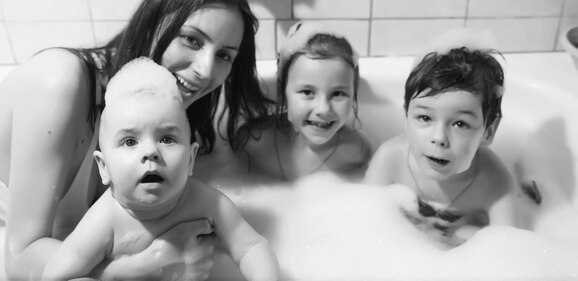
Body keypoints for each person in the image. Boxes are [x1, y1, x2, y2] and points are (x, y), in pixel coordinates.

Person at [0, 0, 273, 280]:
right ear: (151, 25)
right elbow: (20, 258)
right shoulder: (56, 85)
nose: (206, 70)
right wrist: (146, 262)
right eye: (191, 39)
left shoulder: (172, 105)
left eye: (224, 56)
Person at [43, 58, 279, 281]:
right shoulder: (105, 221)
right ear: (104, 168)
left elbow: (250, 247)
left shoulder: (208, 203)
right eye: (129, 142)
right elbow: (56, 277)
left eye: (167, 139)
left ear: (190, 159)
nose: (151, 151)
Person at [364, 30, 514, 247]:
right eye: (425, 117)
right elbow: (363, 224)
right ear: (406, 116)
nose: (439, 138)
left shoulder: (495, 182)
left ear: (488, 131)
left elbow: (510, 251)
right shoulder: (390, 159)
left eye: (460, 124)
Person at [243, 21, 372, 181]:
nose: (323, 109)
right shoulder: (253, 142)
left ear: (353, 95)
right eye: (307, 92)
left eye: (338, 93)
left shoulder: (354, 151)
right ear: (284, 94)